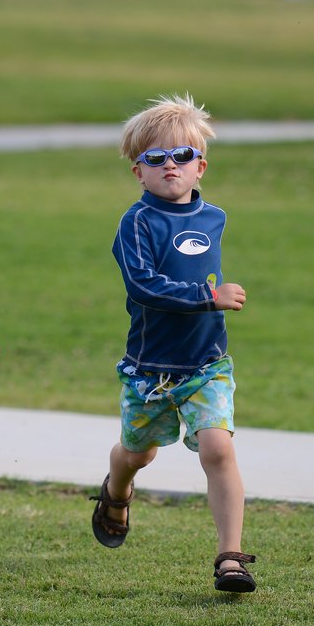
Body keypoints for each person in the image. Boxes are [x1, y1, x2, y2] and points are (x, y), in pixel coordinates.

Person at [90, 94, 257, 593]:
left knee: (217, 448)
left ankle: (231, 557)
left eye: (182, 156)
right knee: (137, 454)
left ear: (200, 166)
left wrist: (210, 303)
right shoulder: (135, 223)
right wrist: (209, 297)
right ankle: (116, 493)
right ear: (138, 172)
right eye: (155, 158)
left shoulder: (214, 218)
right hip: (151, 370)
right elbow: (142, 286)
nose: (170, 166)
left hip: (207, 365)